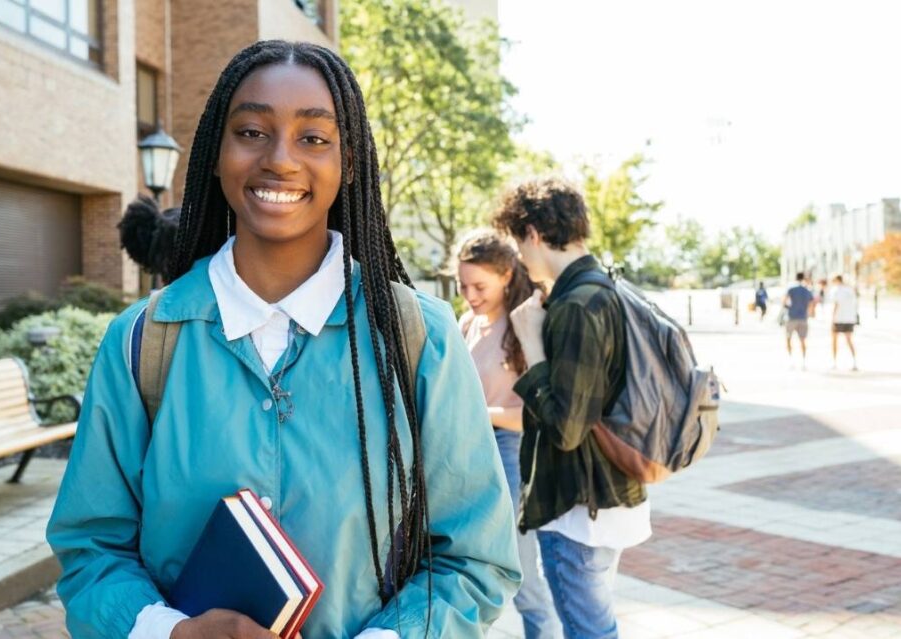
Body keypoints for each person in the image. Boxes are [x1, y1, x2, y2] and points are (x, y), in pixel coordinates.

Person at [46, 41, 520, 639]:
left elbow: (475, 560)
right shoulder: (141, 342)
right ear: (217, 154)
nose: (281, 160)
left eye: (314, 138)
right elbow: (92, 549)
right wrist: (170, 631)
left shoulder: (418, 338)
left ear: (349, 161)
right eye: (251, 131)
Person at [492, 178, 651, 639]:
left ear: (534, 235)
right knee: (596, 626)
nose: (521, 257)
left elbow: (565, 427)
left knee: (589, 632)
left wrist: (530, 343)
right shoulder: (605, 288)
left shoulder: (578, 304)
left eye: (519, 244)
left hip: (579, 509)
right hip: (606, 497)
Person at [456, 231, 563, 639]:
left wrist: (475, 413)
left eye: (479, 286)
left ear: (505, 274)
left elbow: (534, 416)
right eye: (463, 286)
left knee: (520, 573)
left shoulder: (523, 325)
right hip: (469, 450)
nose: (470, 295)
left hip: (510, 452)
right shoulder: (467, 322)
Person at [784, 272, 816, 369]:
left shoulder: (791, 288)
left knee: (789, 338)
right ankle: (803, 361)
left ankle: (791, 360)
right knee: (802, 340)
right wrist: (809, 313)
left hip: (791, 316)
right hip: (803, 317)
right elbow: (811, 304)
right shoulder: (807, 290)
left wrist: (788, 307)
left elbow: (784, 301)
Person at [830, 274, 858, 371]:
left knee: (834, 341)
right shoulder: (850, 290)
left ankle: (834, 362)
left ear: (837, 280)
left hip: (838, 319)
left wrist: (832, 320)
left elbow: (836, 305)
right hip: (849, 318)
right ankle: (854, 362)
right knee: (849, 340)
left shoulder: (835, 290)